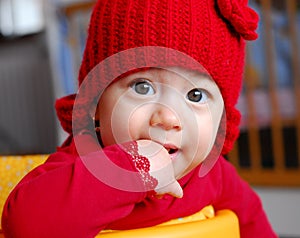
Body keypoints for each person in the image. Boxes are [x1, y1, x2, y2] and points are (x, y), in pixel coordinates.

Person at [1, 0, 278, 237]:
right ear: (95, 102)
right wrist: (134, 167)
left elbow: (253, 224)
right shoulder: (80, 165)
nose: (168, 117)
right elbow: (23, 226)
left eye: (195, 95)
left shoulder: (213, 175)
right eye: (142, 87)